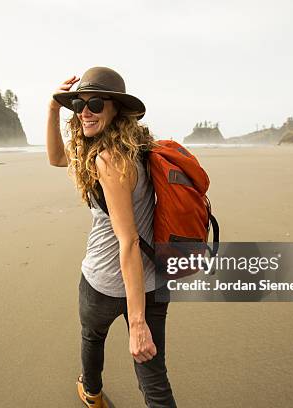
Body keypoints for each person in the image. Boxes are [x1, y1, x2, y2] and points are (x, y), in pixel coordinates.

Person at [46, 67, 177, 408]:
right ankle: (92, 391)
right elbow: (57, 158)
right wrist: (52, 108)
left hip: (104, 281)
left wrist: (136, 323)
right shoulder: (142, 149)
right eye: (78, 104)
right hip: (152, 282)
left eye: (96, 103)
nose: (85, 111)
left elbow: (129, 240)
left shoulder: (107, 159)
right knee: (154, 378)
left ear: (115, 108)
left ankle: (92, 394)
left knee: (93, 337)